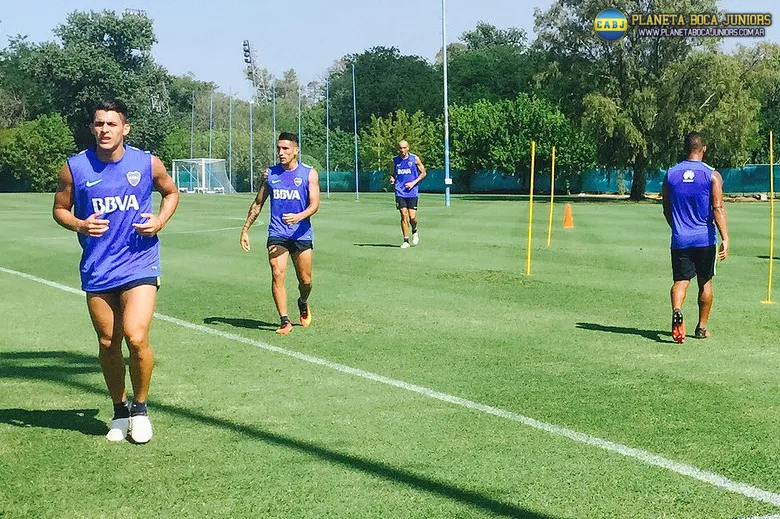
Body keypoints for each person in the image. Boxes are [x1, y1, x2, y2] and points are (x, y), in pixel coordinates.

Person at [53, 98, 179, 443]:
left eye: (111, 124)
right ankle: (119, 410)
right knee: (109, 342)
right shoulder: (75, 168)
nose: (104, 130)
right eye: (98, 124)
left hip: (139, 261)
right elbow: (60, 210)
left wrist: (160, 220)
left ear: (125, 128)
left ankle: (140, 409)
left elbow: (170, 191)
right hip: (98, 266)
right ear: (91, 128)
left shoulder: (147, 163)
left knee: (136, 336)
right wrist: (80, 224)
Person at [240, 132, 320, 335]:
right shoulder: (270, 175)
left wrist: (299, 216)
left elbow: (315, 205)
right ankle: (284, 321)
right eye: (278, 148)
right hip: (278, 233)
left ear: (296, 150)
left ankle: (302, 302)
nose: (280, 152)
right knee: (277, 272)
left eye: (285, 148)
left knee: (306, 280)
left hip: (301, 233)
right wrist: (245, 229)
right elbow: (258, 203)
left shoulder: (309, 174)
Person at [662, 131, 729, 343]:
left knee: (681, 281)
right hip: (704, 239)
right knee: (705, 282)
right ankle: (701, 328)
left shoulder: (670, 174)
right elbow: (717, 207)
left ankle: (677, 309)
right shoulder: (711, 175)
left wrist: (677, 227)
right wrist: (725, 237)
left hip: (680, 238)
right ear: (704, 148)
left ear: (686, 148)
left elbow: (666, 207)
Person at [390, 140, 427, 248]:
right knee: (403, 214)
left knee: (412, 217)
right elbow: (393, 173)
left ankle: (414, 230)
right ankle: (406, 240)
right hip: (400, 191)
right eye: (400, 148)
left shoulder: (414, 159)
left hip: (412, 191)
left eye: (404, 148)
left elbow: (423, 173)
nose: (402, 150)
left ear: (408, 148)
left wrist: (413, 183)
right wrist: (392, 178)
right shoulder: (395, 160)